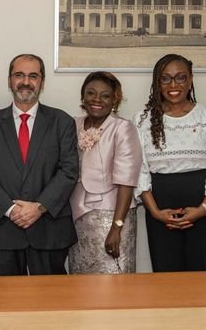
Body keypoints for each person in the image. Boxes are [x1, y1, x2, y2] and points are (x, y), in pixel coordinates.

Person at [0, 53, 79, 276]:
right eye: (19, 75)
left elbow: (69, 171)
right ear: (9, 80)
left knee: (51, 296)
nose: (26, 82)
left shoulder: (62, 122)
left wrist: (38, 207)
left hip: (49, 229)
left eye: (33, 76)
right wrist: (11, 210)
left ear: (42, 81)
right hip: (2, 230)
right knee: (6, 297)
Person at [134, 54, 206, 272]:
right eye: (165, 78)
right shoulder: (142, 120)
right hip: (160, 209)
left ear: (190, 80)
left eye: (180, 77)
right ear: (157, 82)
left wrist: (203, 208)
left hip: (204, 208)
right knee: (166, 275)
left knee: (203, 274)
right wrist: (155, 212)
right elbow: (139, 170)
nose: (173, 85)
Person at [68, 72, 141, 274]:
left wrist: (117, 227)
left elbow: (127, 181)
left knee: (113, 278)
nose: (97, 99)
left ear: (115, 100)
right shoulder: (73, 124)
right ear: (83, 96)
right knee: (80, 279)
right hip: (78, 216)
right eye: (91, 93)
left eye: (105, 95)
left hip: (112, 215)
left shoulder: (123, 128)